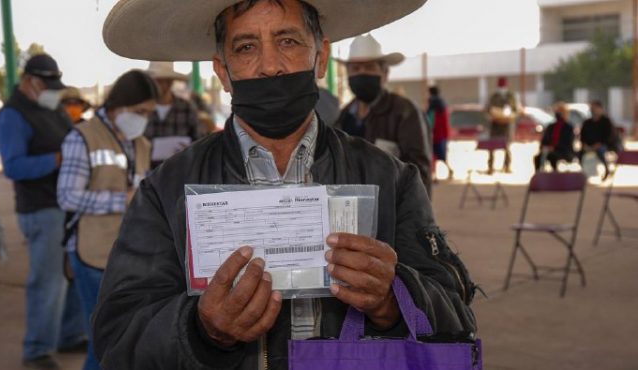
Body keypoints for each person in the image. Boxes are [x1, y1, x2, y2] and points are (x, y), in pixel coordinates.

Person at [93, 0, 477, 369]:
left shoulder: (392, 179)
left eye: (288, 41)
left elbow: (456, 318)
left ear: (321, 57)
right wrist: (200, 330)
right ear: (222, 71)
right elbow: (118, 338)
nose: (270, 66)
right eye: (245, 47)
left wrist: (393, 297)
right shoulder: (166, 190)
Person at [57, 70, 157, 370]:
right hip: (91, 254)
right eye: (139, 112)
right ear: (120, 105)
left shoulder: (140, 143)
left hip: (128, 253)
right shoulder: (82, 137)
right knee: (104, 344)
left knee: (125, 340)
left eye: (148, 114)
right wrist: (120, 200)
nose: (143, 119)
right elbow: (66, 196)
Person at [0, 54, 86, 370]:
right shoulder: (12, 116)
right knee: (48, 280)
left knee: (73, 274)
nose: (52, 92)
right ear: (29, 82)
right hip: (41, 208)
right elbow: (13, 166)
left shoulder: (52, 109)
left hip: (66, 205)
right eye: (47, 85)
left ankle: (70, 334)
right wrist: (57, 160)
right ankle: (36, 349)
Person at [334, 33, 432, 195]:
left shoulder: (405, 112)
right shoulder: (343, 116)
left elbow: (420, 173)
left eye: (370, 67)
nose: (362, 73)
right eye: (355, 68)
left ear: (384, 73)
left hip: (392, 212)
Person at [144, 62, 201, 166]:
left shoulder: (187, 107)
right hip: (148, 170)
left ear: (171, 82)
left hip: (179, 168)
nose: (163, 85)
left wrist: (189, 150)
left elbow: (198, 140)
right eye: (158, 81)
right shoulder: (142, 108)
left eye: (166, 80)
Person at [485, 77, 520, 174]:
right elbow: (487, 110)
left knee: (507, 146)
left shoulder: (511, 96)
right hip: (495, 126)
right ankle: (490, 167)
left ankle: (507, 166)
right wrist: (492, 116)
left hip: (507, 126)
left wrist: (511, 116)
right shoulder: (494, 96)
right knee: (492, 146)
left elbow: (515, 110)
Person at [578, 100, 615, 180]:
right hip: (588, 145)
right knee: (580, 154)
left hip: (602, 145)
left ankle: (606, 169)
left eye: (594, 108)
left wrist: (599, 144)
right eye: (592, 108)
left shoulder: (606, 121)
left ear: (600, 109)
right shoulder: (587, 122)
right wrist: (584, 145)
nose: (593, 110)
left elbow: (609, 136)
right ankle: (584, 174)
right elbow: (582, 136)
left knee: (600, 151)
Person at [534, 103, 575, 172]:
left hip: (563, 151)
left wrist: (554, 147)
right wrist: (544, 146)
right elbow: (544, 139)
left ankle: (555, 172)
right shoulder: (551, 126)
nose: (558, 114)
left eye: (560, 112)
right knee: (538, 157)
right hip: (549, 150)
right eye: (557, 112)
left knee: (552, 155)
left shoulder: (568, 127)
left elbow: (568, 142)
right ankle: (539, 174)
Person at [427, 86, 453, 180]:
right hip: (442, 134)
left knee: (433, 156)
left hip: (435, 134)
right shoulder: (443, 103)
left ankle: (434, 176)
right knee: (441, 156)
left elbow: (429, 120)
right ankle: (445, 172)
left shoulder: (433, 104)